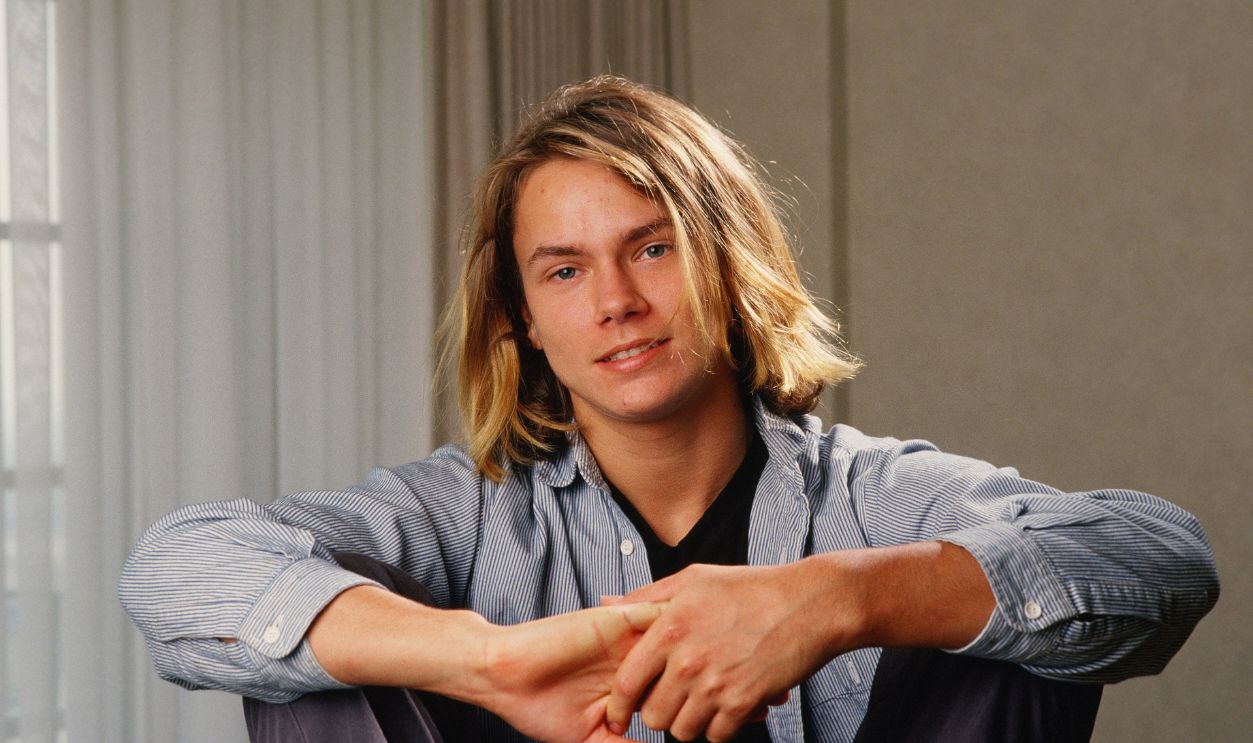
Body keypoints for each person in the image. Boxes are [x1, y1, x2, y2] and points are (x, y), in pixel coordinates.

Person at [120, 76, 1219, 743]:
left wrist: (834, 597)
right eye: (562, 270)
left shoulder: (863, 495)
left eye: (653, 247)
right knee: (317, 658)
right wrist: (484, 660)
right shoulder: (470, 514)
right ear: (520, 322)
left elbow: (1161, 557)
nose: (615, 301)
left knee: (985, 610)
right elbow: (176, 567)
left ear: (727, 268)